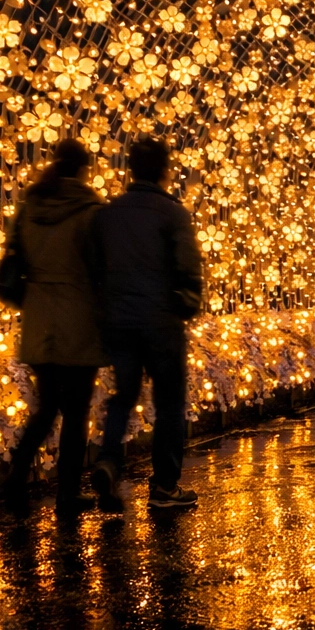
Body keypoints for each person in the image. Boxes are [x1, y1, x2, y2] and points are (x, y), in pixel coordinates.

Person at [92, 137, 203, 511]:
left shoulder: (109, 213)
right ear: (164, 170)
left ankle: (109, 460)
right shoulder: (172, 213)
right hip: (160, 321)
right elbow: (188, 269)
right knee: (169, 402)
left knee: (124, 396)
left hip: (119, 322)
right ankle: (165, 487)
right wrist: (185, 304)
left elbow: (95, 267)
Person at [1, 139, 106, 518]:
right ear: (82, 170)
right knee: (77, 410)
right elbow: (101, 266)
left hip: (40, 317)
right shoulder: (91, 211)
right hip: (78, 317)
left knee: (47, 407)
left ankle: (15, 476)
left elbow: (14, 262)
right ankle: (67, 494)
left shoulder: (30, 207)